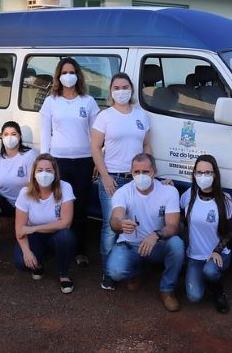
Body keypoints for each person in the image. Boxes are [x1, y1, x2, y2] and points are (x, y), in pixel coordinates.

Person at [91, 72, 151, 291]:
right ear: (111, 92)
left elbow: (146, 147)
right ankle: (108, 273)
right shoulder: (105, 116)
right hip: (113, 179)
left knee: (135, 224)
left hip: (137, 180)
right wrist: (105, 176)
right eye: (116, 88)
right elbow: (95, 148)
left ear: (131, 90)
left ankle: (131, 268)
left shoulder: (141, 116)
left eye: (125, 87)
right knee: (111, 227)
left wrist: (151, 174)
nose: (121, 91)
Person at [39, 57, 99, 268]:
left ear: (78, 75)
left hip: (84, 161)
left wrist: (96, 162)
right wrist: (45, 161)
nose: (68, 76)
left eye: (72, 72)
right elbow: (45, 134)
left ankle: (80, 249)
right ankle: (58, 245)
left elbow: (97, 135)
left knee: (81, 207)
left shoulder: (88, 101)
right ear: (58, 76)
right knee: (58, 205)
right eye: (64, 72)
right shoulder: (51, 102)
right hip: (58, 162)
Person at [107, 153, 184, 312]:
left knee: (177, 244)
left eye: (145, 172)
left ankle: (167, 290)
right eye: (136, 172)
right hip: (130, 244)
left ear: (154, 172)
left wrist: (156, 235)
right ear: (131, 172)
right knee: (115, 272)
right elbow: (115, 219)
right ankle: (136, 271)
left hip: (156, 244)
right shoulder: (123, 192)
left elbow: (173, 225)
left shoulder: (168, 191)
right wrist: (120, 224)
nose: (141, 176)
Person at [180, 154, 232, 313]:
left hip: (218, 254)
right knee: (194, 297)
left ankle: (219, 292)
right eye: (199, 172)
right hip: (195, 256)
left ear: (215, 175)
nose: (203, 176)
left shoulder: (224, 199)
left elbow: (229, 232)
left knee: (210, 271)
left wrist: (216, 251)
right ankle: (203, 280)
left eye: (208, 173)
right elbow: (179, 218)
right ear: (194, 174)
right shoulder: (188, 196)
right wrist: (166, 185)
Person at [13, 153, 76, 294]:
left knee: (66, 236)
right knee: (21, 262)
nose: (44, 174)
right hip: (35, 237)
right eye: (40, 170)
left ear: (55, 173)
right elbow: (20, 228)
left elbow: (65, 223)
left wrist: (34, 228)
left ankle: (64, 274)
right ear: (34, 173)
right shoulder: (25, 193)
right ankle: (38, 264)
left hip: (56, 235)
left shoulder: (65, 187)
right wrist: (26, 252)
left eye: (48, 170)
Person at [0, 121, 37, 253]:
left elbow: (34, 185)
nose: (9, 137)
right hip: (4, 202)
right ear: (1, 137)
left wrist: (23, 205)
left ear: (20, 136)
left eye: (13, 134)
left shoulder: (29, 155)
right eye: (6, 134)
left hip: (25, 203)